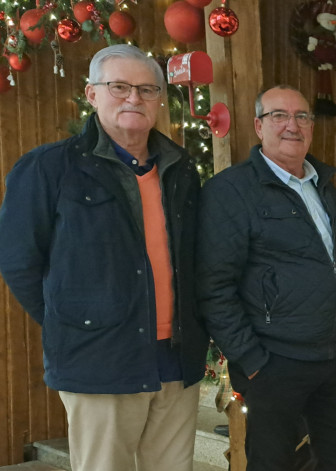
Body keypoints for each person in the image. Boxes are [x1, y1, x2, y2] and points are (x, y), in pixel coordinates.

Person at [0, 44, 207, 471]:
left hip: (177, 358)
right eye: (119, 87)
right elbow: (19, 262)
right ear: (92, 95)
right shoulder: (47, 168)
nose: (135, 98)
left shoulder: (181, 169)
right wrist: (78, 321)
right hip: (100, 360)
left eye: (148, 89)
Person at [196, 85, 336, 470]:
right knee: (272, 463)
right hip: (275, 361)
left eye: (302, 116)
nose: (293, 125)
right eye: (279, 116)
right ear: (258, 125)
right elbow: (214, 286)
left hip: (334, 359)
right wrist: (252, 360)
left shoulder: (322, 185)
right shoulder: (231, 191)